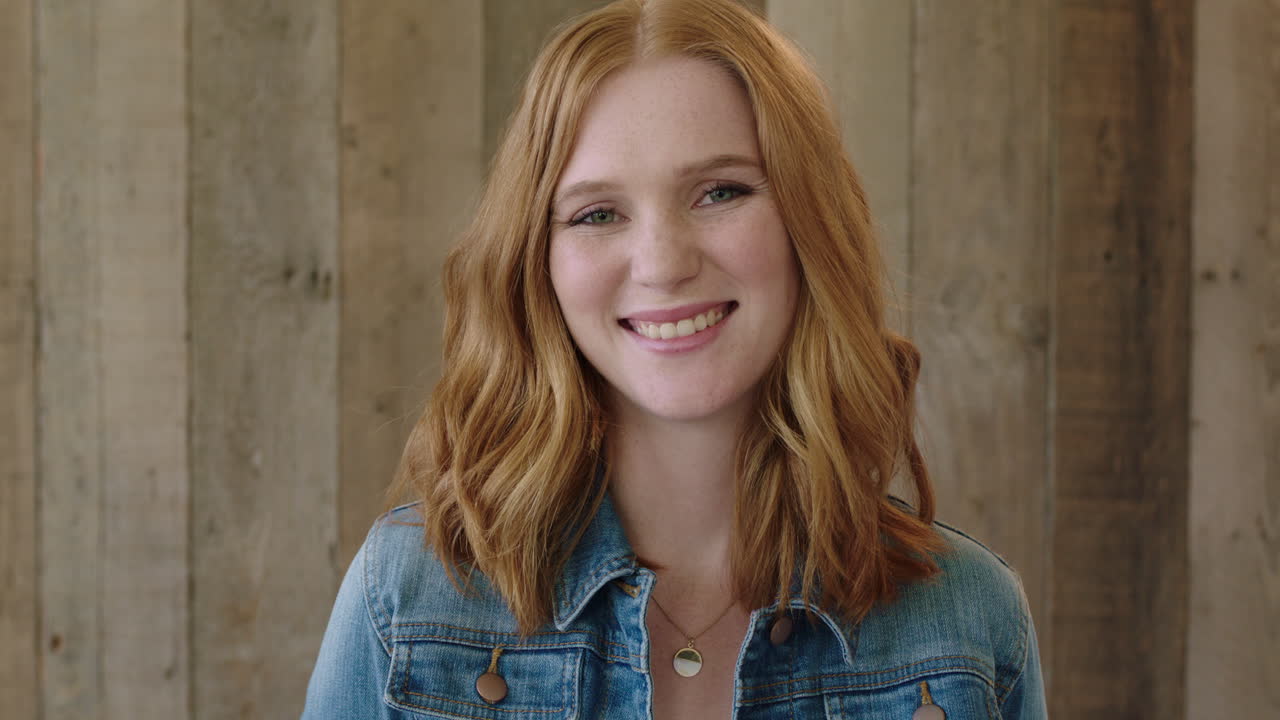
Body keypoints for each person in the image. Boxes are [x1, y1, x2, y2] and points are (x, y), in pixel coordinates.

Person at [302, 0, 1046, 717]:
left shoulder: (971, 623)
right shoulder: (406, 600)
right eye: (598, 213)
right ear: (537, 262)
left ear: (810, 223)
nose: (662, 264)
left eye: (719, 192)